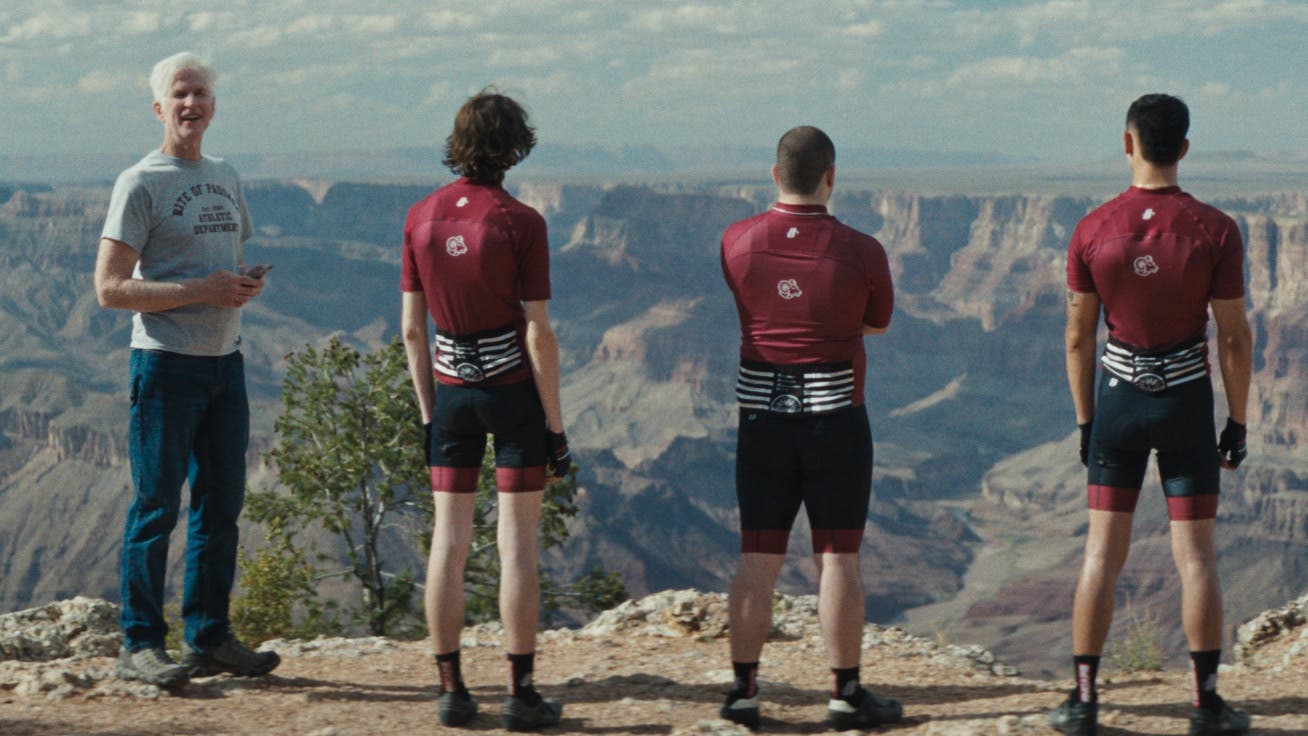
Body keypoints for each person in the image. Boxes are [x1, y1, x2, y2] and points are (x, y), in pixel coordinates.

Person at [1052, 94, 1253, 736]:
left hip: (1117, 401)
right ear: (1185, 148)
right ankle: (1206, 705)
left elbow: (1078, 337)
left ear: (1127, 143)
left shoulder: (1092, 229)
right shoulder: (1215, 229)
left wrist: (1087, 421)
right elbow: (1234, 338)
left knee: (1100, 555)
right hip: (1186, 404)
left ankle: (1084, 703)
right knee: (1195, 560)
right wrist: (1238, 421)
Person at [94, 52, 280, 687]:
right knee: (155, 506)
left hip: (226, 363)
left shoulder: (226, 176)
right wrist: (205, 289)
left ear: (215, 105)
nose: (191, 104)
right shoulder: (140, 182)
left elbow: (224, 260)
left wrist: (240, 286)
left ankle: (208, 637)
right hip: (165, 366)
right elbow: (111, 289)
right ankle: (139, 645)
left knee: (221, 506)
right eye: (179, 94)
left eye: (201, 93)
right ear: (158, 107)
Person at [717, 126, 899, 731]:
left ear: (774, 175)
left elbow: (751, 307)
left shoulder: (735, 242)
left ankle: (743, 693)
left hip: (761, 418)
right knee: (838, 557)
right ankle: (846, 694)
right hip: (835, 419)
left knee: (757, 555)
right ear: (832, 175)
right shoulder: (863, 250)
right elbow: (876, 325)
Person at [400, 88, 570, 732]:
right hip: (512, 396)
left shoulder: (420, 216)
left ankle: (450, 690)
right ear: (514, 146)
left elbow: (413, 331)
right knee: (517, 545)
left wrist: (427, 414)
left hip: (451, 398)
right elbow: (539, 335)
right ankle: (520, 694)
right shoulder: (521, 223)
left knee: (448, 540)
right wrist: (554, 427)